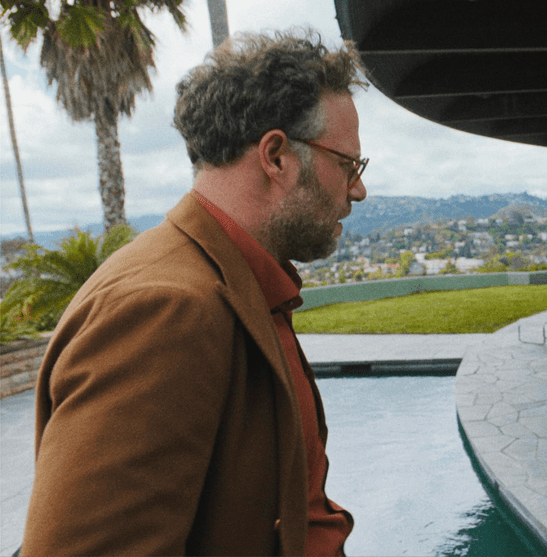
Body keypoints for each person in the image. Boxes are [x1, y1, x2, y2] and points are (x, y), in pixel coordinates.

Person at [21, 29, 368, 556]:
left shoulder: (238, 282)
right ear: (275, 156)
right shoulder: (164, 309)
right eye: (347, 165)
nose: (358, 189)